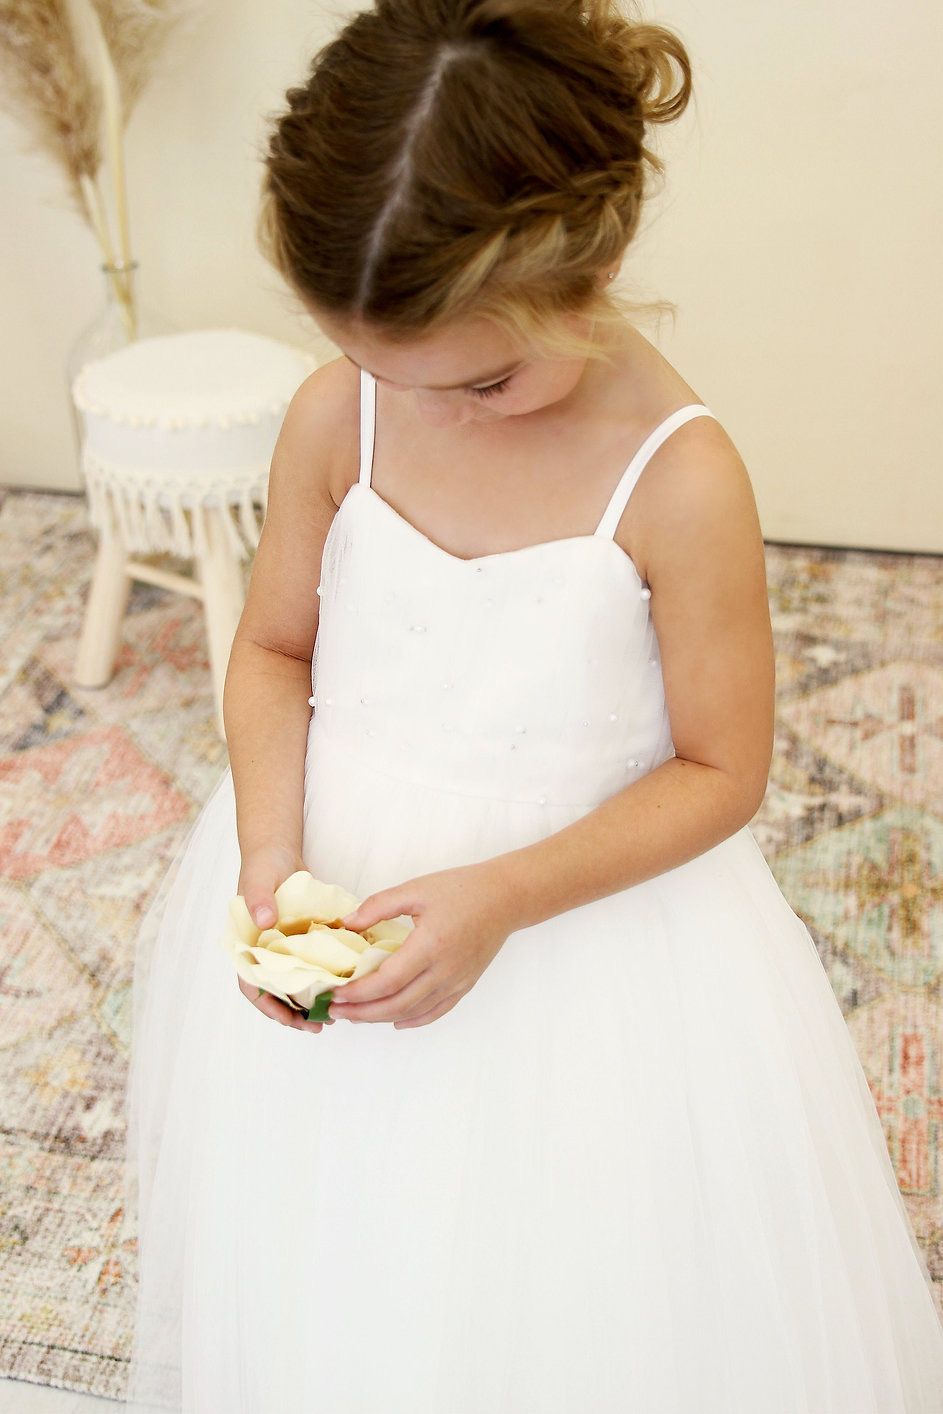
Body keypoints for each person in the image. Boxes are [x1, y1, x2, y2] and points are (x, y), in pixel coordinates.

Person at [120, 0, 943, 1409]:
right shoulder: (341, 411)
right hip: (344, 868)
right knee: (342, 1244)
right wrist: (268, 851)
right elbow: (271, 651)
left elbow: (720, 768)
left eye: (487, 375)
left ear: (600, 260)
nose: (435, 408)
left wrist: (503, 894)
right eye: (388, 368)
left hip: (584, 935)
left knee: (582, 1287)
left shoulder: (681, 480)